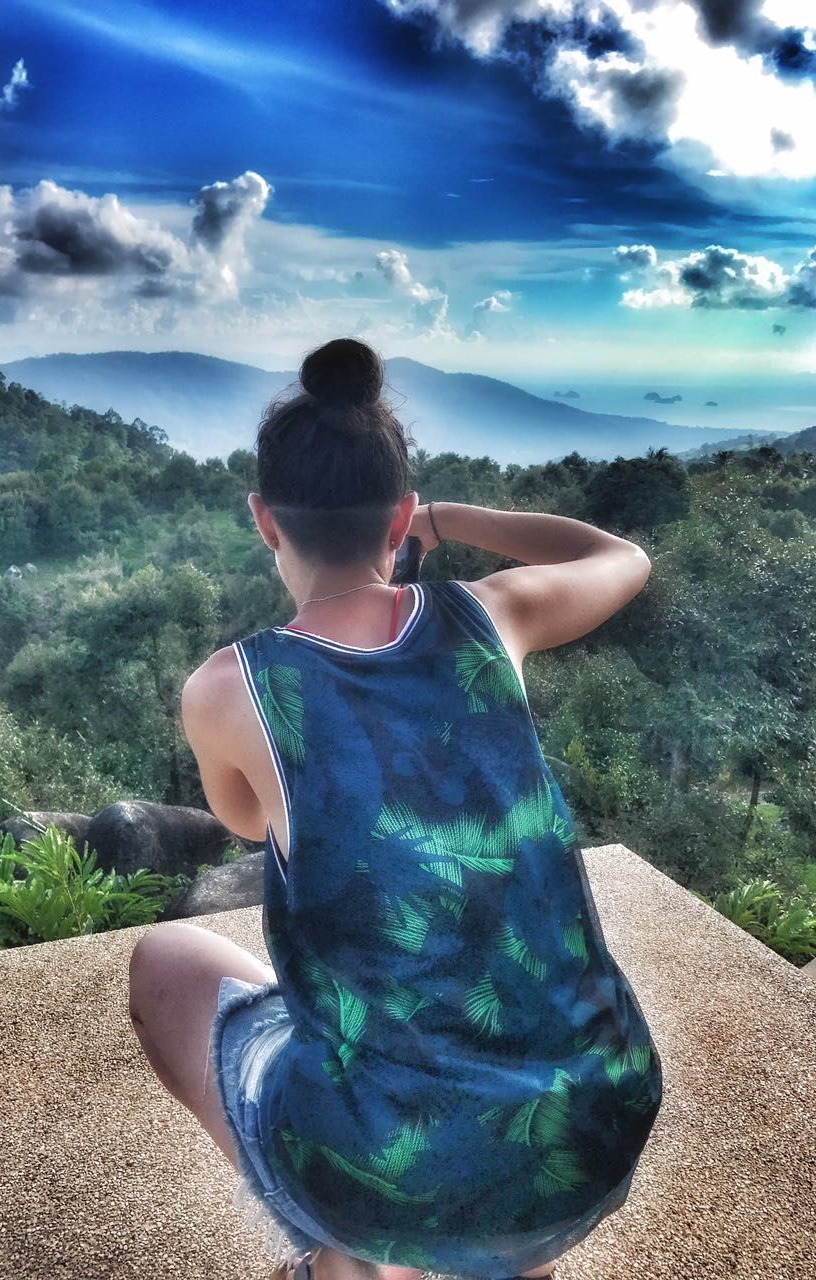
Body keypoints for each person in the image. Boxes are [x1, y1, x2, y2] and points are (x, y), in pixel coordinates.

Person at [128, 337, 664, 1280]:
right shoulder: (491, 620)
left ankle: (350, 1256)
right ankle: (509, 1250)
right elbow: (620, 556)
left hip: (397, 1171)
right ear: (402, 517)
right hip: (598, 1117)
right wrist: (450, 520)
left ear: (264, 520)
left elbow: (249, 823)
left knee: (167, 962)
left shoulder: (231, 688)